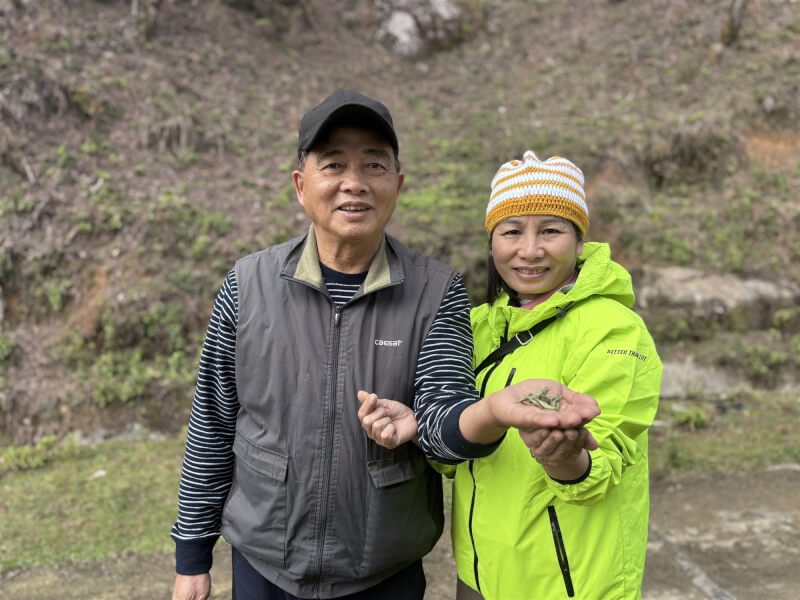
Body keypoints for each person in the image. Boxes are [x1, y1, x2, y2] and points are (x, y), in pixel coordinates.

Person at [170, 91, 599, 600]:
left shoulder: (436, 291)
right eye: (334, 164)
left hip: (383, 574)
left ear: (397, 185)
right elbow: (212, 425)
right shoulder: (246, 285)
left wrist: (490, 412)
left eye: (374, 164)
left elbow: (442, 424)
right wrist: (192, 556)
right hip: (265, 568)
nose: (354, 182)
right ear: (301, 185)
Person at [359, 150, 663, 599]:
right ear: (492, 241)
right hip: (480, 579)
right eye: (512, 231)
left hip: (571, 584)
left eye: (552, 230)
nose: (530, 250)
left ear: (580, 242)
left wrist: (564, 458)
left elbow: (602, 465)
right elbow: (457, 455)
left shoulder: (614, 330)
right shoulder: (478, 326)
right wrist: (423, 426)